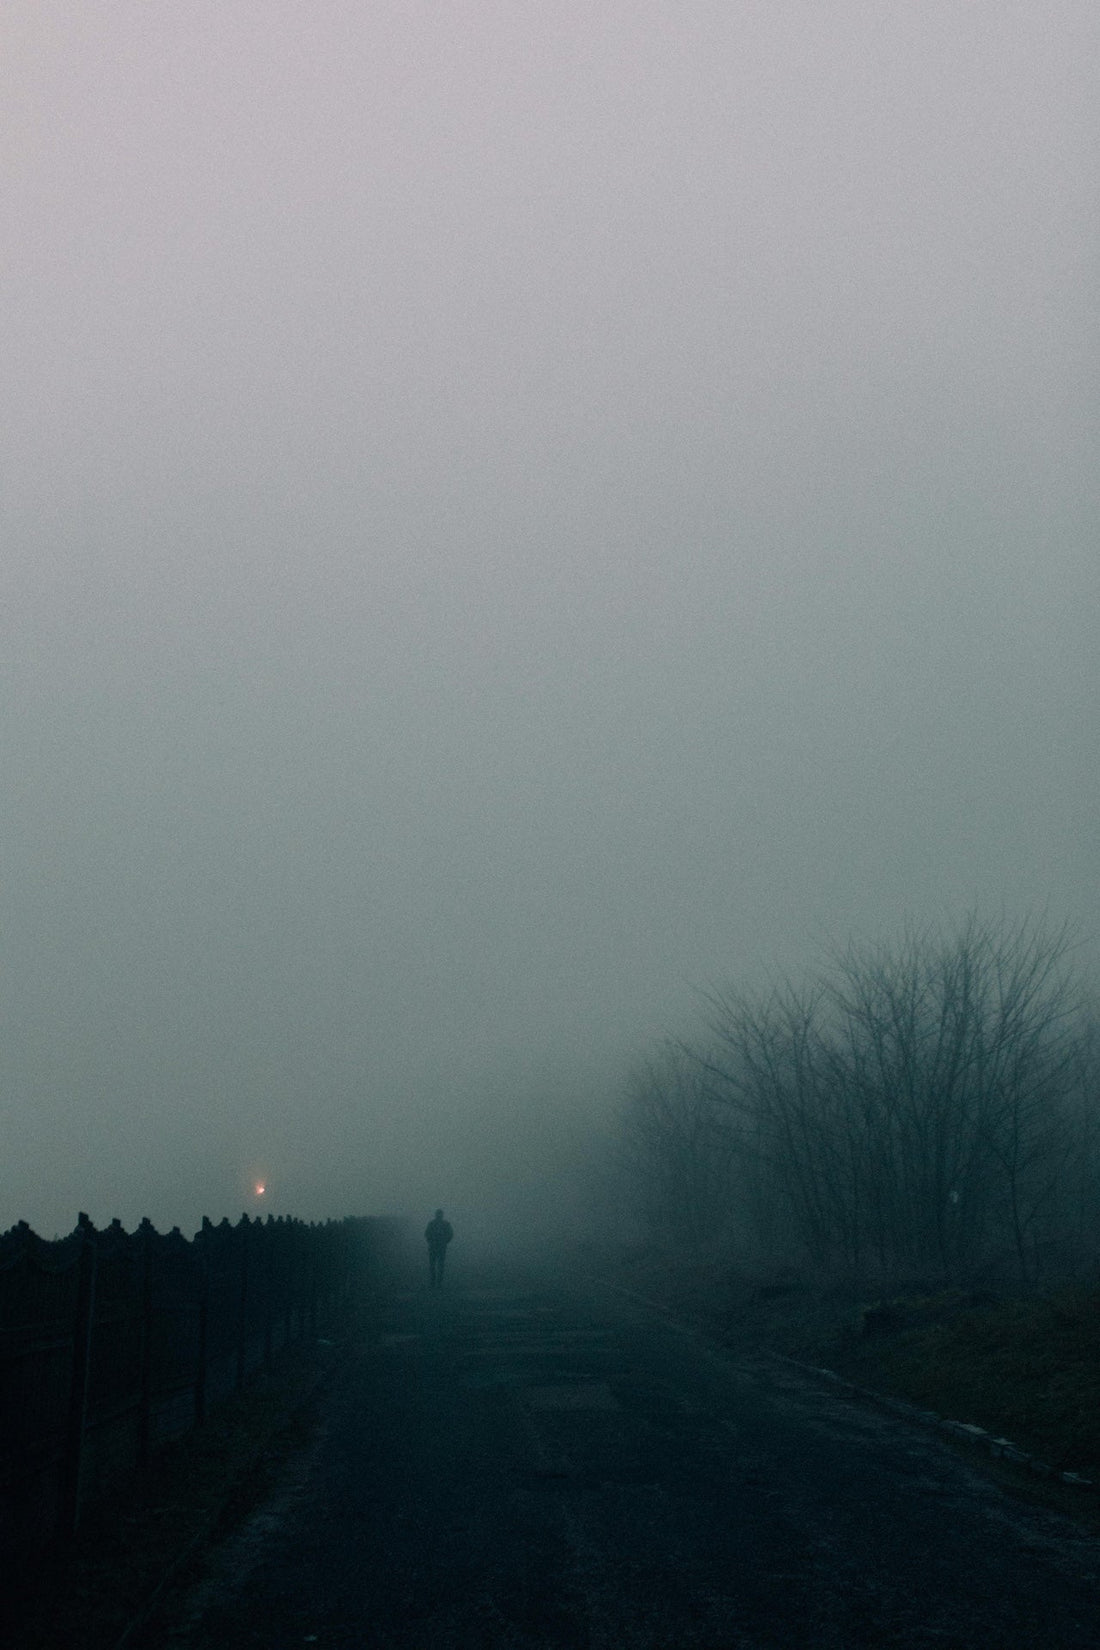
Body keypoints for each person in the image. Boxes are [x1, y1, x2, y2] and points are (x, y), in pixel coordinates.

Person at [425, 1208, 454, 1287]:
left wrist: (444, 1241)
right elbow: (427, 1234)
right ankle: (435, 1282)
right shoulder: (436, 1224)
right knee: (434, 1265)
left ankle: (437, 1282)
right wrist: (444, 1241)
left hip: (438, 1247)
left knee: (438, 1265)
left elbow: (450, 1234)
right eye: (438, 1214)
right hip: (437, 1247)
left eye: (439, 1214)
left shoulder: (435, 1224)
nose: (439, 1215)